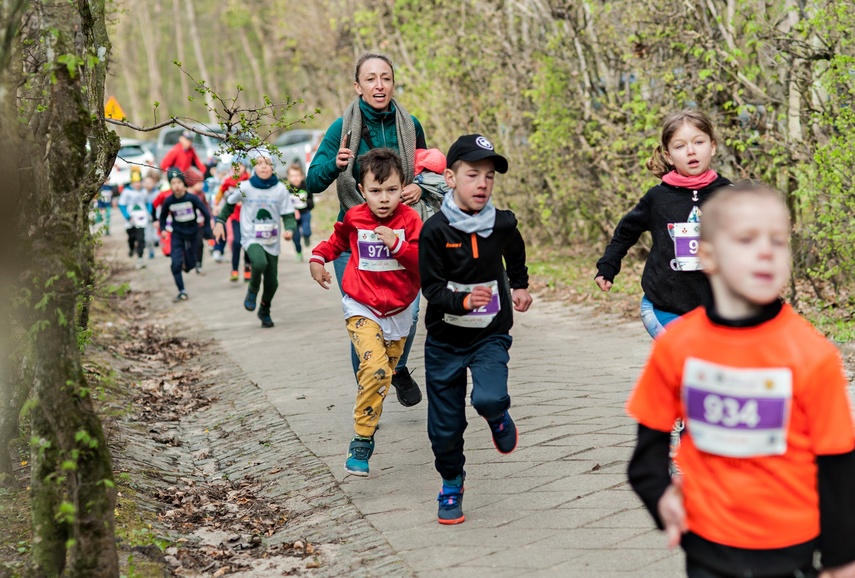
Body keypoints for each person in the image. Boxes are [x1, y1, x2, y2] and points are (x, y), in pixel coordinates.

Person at [626, 184, 855, 578]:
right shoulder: (678, 346)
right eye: (747, 239)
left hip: (792, 546)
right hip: (708, 542)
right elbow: (647, 450)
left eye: (778, 241)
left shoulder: (812, 355)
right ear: (708, 255)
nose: (766, 251)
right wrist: (660, 497)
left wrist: (841, 559)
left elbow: (837, 464)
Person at [419, 134, 532, 525]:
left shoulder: (502, 223)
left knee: (488, 398)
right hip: (445, 341)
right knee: (445, 427)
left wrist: (519, 286)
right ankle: (451, 483)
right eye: (472, 175)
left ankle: (498, 416)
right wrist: (462, 301)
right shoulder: (435, 231)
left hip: (490, 334)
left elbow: (515, 252)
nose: (482, 183)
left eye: (489, 176)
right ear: (450, 178)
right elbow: (431, 288)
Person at [307, 52, 428, 407]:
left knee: (411, 309)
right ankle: (368, 394)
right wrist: (335, 163)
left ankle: (398, 366)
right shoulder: (341, 129)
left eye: (386, 78)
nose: (379, 85)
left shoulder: (411, 124)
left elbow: (426, 169)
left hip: (401, 231)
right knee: (363, 315)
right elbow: (312, 181)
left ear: (393, 83)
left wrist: (419, 185)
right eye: (371, 79)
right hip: (354, 235)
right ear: (358, 86)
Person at [309, 148, 422, 477]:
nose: (384, 199)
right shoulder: (356, 217)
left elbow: (425, 263)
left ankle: (366, 426)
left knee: (383, 376)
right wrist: (318, 258)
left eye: (391, 190)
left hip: (399, 311)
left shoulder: (410, 221)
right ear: (361, 190)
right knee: (375, 369)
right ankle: (362, 439)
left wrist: (398, 246)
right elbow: (336, 242)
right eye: (375, 191)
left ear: (403, 188)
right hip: (362, 306)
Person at [595, 109, 732, 339]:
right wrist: (608, 266)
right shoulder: (657, 198)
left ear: (713, 146)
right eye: (680, 146)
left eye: (699, 142)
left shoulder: (730, 196)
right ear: (668, 156)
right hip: (664, 308)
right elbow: (626, 231)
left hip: (716, 310)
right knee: (691, 354)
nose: (691, 151)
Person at [213, 149, 296, 328]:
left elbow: (288, 214)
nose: (264, 166)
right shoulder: (246, 187)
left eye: (267, 163)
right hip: (251, 236)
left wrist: (289, 229)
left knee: (272, 283)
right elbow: (229, 204)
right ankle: (252, 289)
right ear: (253, 167)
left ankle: (264, 310)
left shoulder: (280, 189)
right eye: (259, 163)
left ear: (273, 166)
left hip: (272, 240)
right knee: (258, 263)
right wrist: (220, 221)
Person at [158, 168, 212, 301]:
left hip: (193, 232)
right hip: (178, 234)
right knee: (175, 264)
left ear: (183, 183)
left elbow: (205, 212)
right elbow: (163, 217)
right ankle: (182, 291)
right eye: (173, 183)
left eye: (179, 182)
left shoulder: (191, 198)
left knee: (190, 264)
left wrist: (206, 229)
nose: (176, 186)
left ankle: (188, 265)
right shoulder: (169, 201)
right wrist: (163, 229)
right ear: (170, 185)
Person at [214, 160, 251, 281]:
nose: (237, 168)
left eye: (240, 165)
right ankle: (234, 269)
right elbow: (220, 191)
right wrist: (216, 204)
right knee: (236, 242)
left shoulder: (249, 179)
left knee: (247, 243)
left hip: (248, 217)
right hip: (235, 216)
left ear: (245, 167)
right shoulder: (228, 180)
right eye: (234, 165)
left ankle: (247, 268)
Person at [117, 168, 149, 268]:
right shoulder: (126, 192)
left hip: (141, 219)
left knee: (141, 238)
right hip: (130, 220)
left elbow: (148, 203)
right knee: (132, 238)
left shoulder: (144, 191)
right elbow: (121, 204)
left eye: (139, 182)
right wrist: (127, 216)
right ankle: (131, 248)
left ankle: (140, 258)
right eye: (135, 182)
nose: (137, 184)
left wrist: (148, 212)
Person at [286, 164, 313, 262]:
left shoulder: (306, 186)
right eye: (292, 176)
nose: (295, 178)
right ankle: (299, 252)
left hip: (305, 212)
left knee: (306, 230)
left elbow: (310, 198)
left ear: (302, 176)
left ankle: (307, 236)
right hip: (294, 216)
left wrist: (309, 206)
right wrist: (292, 211)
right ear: (288, 178)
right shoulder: (288, 190)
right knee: (296, 237)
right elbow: (285, 204)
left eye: (297, 175)